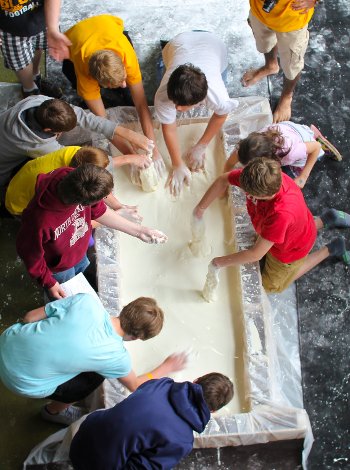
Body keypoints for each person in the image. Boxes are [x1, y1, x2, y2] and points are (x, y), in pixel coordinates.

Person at [0, 293, 188, 425]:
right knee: (96, 376)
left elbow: (29, 317)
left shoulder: (86, 302)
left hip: (5, 343)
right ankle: (54, 412)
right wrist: (167, 366)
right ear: (138, 337)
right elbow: (136, 386)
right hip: (22, 382)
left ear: (127, 307)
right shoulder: (116, 357)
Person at [194, 158, 350, 294]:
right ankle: (328, 218)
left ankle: (331, 249)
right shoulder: (265, 176)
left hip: (291, 250)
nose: (247, 195)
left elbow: (255, 254)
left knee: (270, 286)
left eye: (250, 194)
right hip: (299, 225)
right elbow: (223, 179)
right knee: (294, 229)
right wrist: (199, 209)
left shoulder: (280, 214)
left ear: (265, 196)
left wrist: (218, 263)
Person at [16, 165, 167, 300]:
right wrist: (48, 283)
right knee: (63, 297)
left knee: (80, 274)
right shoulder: (39, 220)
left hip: (77, 251)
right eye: (104, 198)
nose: (106, 200)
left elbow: (99, 211)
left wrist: (139, 231)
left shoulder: (74, 178)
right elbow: (29, 255)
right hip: (58, 268)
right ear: (84, 203)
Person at [61, 14, 164, 175]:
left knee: (131, 96)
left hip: (109, 28)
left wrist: (155, 150)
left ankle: (118, 86)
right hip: (74, 42)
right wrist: (131, 155)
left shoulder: (126, 56)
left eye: (124, 79)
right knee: (91, 100)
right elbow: (103, 124)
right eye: (117, 84)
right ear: (99, 84)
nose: (125, 84)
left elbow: (141, 106)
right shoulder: (85, 77)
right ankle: (100, 94)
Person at [69, 373, 233, 470]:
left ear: (195, 381)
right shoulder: (182, 441)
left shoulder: (162, 384)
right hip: (95, 465)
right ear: (213, 411)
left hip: (83, 435)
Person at [0, 95, 152, 189]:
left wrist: (128, 133)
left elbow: (84, 117)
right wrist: (129, 158)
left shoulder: (41, 103)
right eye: (60, 132)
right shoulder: (34, 143)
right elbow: (76, 160)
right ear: (47, 130)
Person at [154, 31, 239, 196]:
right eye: (175, 103)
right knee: (161, 66)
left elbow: (220, 116)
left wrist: (201, 146)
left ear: (201, 101)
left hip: (214, 44)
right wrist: (177, 163)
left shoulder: (218, 97)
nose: (177, 109)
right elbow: (169, 128)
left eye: (183, 106)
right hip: (180, 41)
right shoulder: (163, 94)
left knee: (221, 76)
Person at [5, 145, 145, 219]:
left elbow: (97, 171)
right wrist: (116, 215)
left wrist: (118, 205)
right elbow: (75, 222)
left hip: (17, 182)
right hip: (19, 205)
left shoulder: (78, 153)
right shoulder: (59, 188)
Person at [242, 0, 318, 123]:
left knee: (291, 66)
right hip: (259, 11)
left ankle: (287, 96)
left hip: (292, 18)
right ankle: (270, 65)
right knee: (264, 43)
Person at [224, 121, 342, 188]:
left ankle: (315, 136)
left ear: (269, 160)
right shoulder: (257, 140)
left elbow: (315, 148)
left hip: (306, 142)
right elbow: (237, 154)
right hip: (290, 129)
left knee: (289, 178)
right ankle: (311, 132)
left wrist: (302, 178)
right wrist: (226, 172)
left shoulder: (290, 153)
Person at [0, 0, 69, 97]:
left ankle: (35, 76)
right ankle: (29, 89)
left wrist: (53, 28)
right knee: (19, 61)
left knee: (38, 46)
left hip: (42, 19)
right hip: (9, 28)